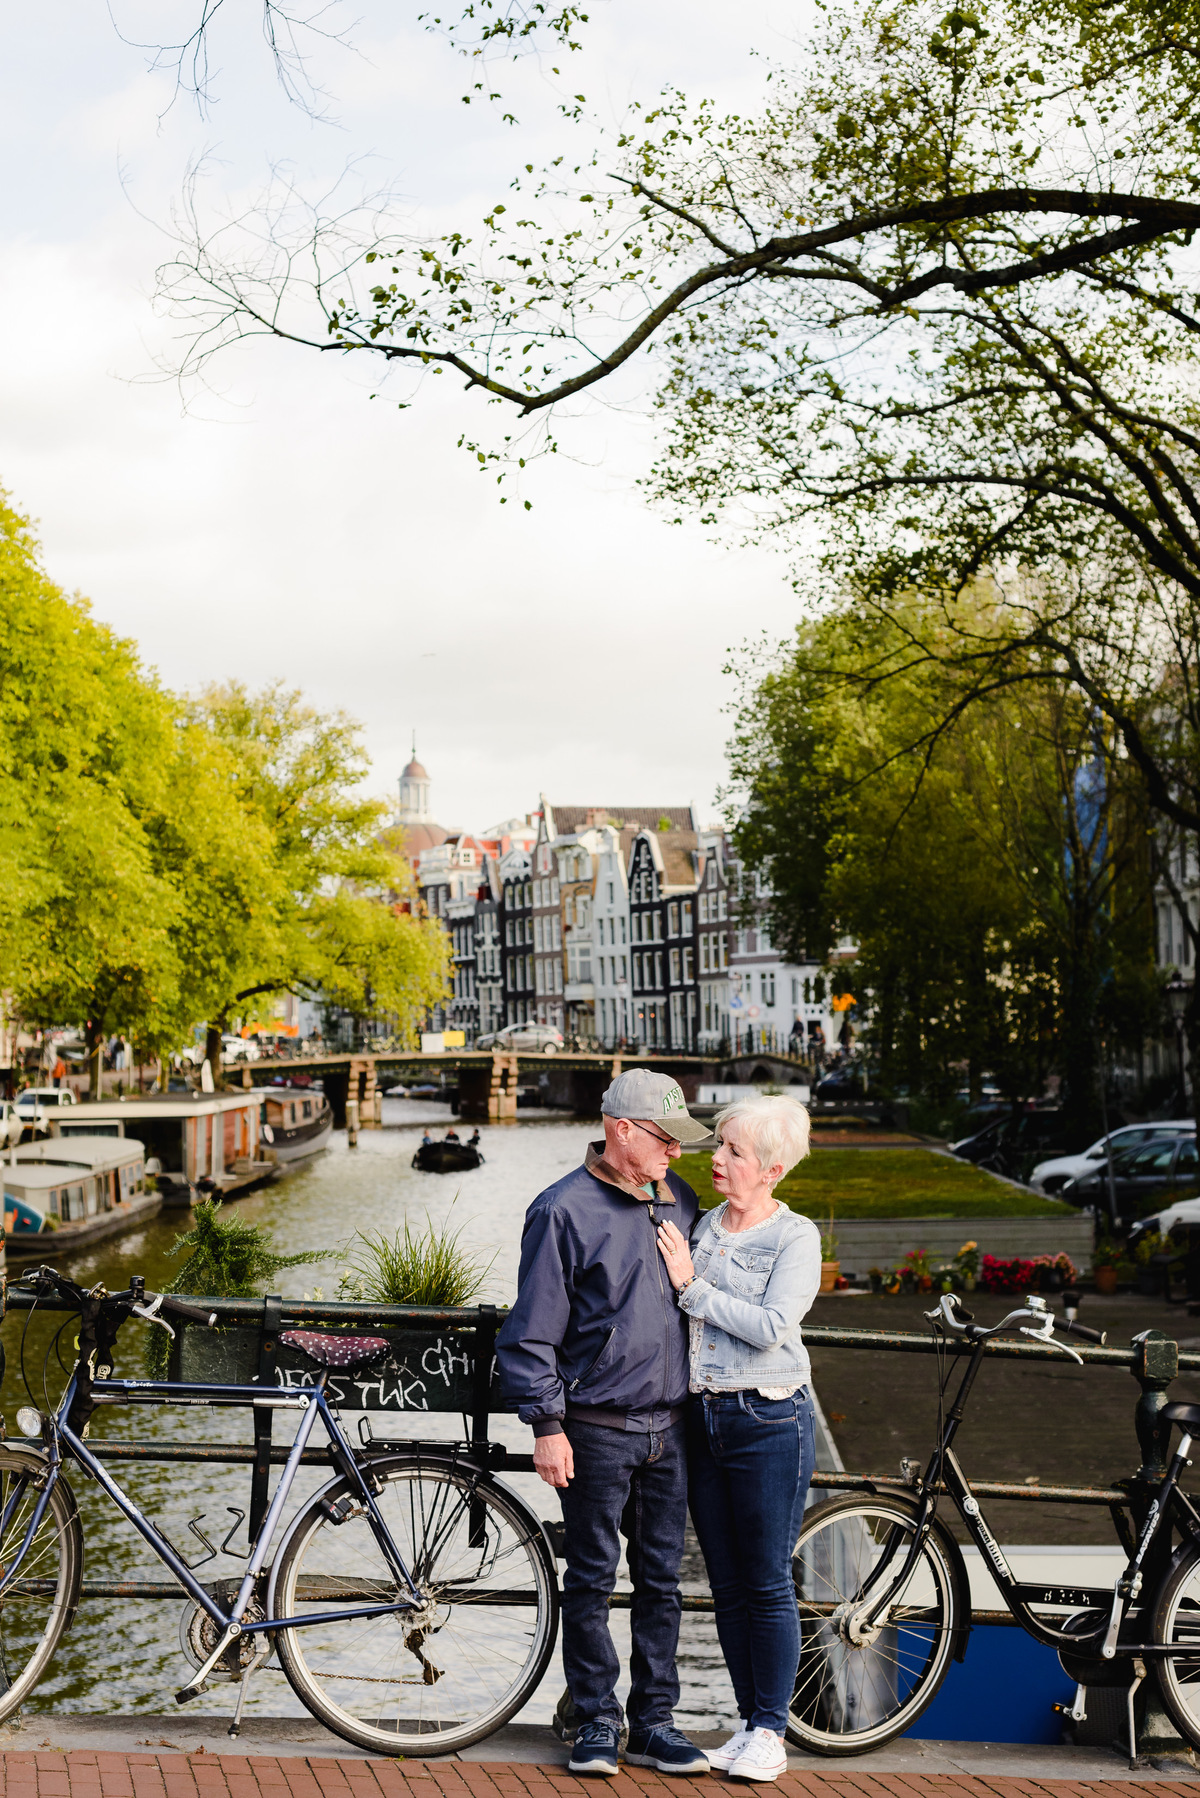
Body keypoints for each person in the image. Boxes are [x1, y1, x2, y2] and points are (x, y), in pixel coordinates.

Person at [496, 1071, 713, 1778]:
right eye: (665, 1139)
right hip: (594, 1427)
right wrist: (546, 1425)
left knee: (662, 1581)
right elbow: (529, 1334)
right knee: (590, 1576)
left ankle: (654, 1722)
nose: (676, 1154)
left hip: (671, 1426)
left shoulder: (679, 1200)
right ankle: (595, 1718)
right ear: (621, 1130)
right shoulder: (561, 1210)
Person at [655, 1094, 818, 1783]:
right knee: (726, 1583)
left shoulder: (795, 1238)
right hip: (705, 1416)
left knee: (767, 1579)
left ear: (772, 1169)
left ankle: (773, 1732)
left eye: (734, 1152)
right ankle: (749, 1723)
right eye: (719, 1146)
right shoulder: (701, 1224)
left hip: (769, 1419)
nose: (717, 1159)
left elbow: (773, 1324)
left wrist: (691, 1288)